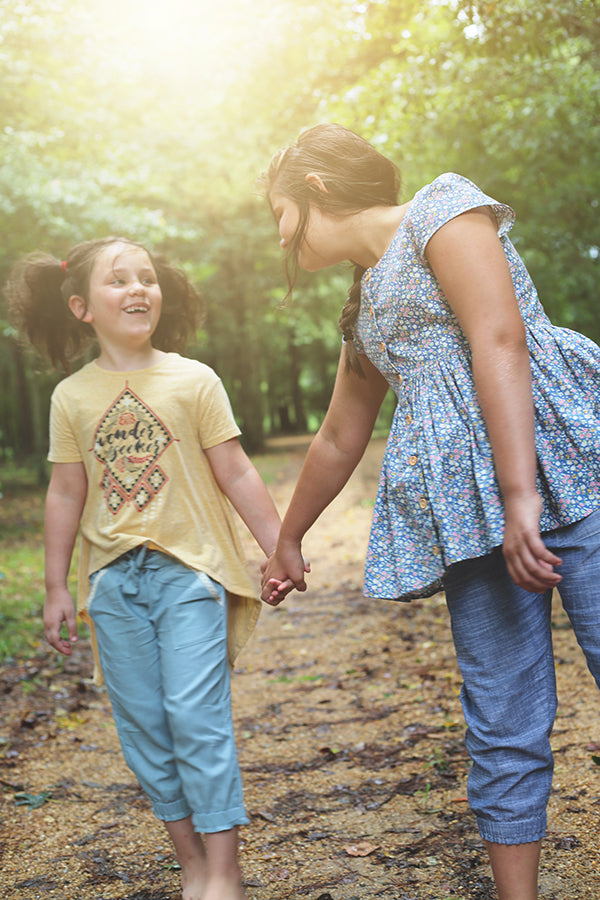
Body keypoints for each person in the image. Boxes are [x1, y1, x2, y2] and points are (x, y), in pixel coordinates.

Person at [258, 123, 600, 900]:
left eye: (277, 213)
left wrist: (523, 498)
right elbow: (342, 434)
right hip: (469, 521)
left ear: (314, 190)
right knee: (502, 719)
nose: (278, 236)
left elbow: (500, 340)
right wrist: (287, 538)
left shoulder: (443, 210)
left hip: (573, 474)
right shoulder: (365, 310)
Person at [6, 237, 286, 900]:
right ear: (81, 306)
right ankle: (191, 863)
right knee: (145, 732)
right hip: (112, 586)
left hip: (189, 573)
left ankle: (224, 872)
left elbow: (237, 470)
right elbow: (66, 494)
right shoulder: (70, 397)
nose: (138, 289)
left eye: (148, 278)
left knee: (196, 717)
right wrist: (55, 588)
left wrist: (281, 544)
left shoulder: (195, 380)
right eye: (119, 280)